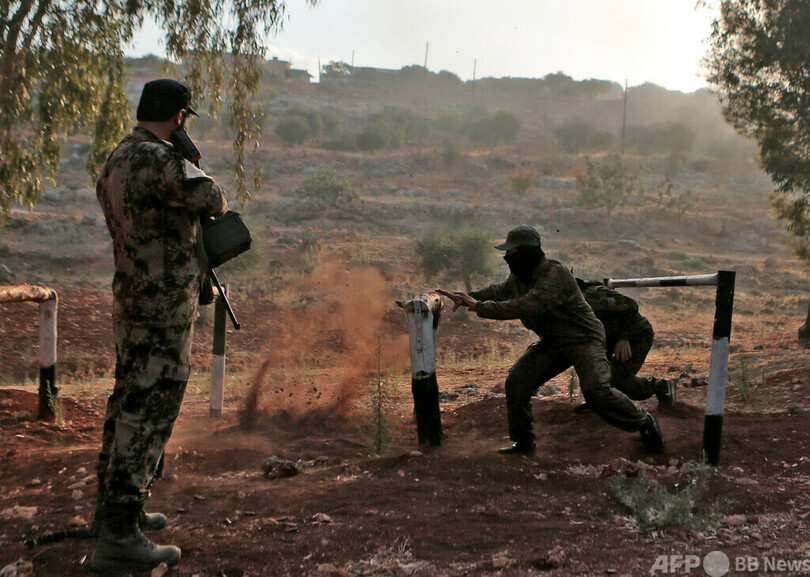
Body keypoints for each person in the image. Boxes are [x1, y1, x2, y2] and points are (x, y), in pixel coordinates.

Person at [92, 78, 229, 573]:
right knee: (150, 411)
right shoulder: (161, 161)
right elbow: (214, 198)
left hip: (131, 301)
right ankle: (118, 537)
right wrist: (189, 155)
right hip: (164, 308)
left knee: (127, 401)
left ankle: (111, 513)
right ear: (179, 117)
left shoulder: (117, 158)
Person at [436, 225, 665, 457]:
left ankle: (644, 422)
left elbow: (526, 305)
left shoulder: (554, 274)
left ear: (527, 252)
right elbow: (500, 291)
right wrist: (468, 297)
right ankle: (524, 443)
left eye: (511, 251)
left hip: (584, 339)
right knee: (517, 382)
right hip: (553, 342)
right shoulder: (520, 277)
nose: (507, 256)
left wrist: (479, 307)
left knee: (597, 391)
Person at [574, 278, 675, 412]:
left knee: (618, 379)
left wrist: (624, 338)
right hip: (608, 339)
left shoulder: (593, 296)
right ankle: (598, 402)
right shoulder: (568, 302)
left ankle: (660, 386)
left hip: (636, 335)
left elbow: (631, 305)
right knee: (596, 373)